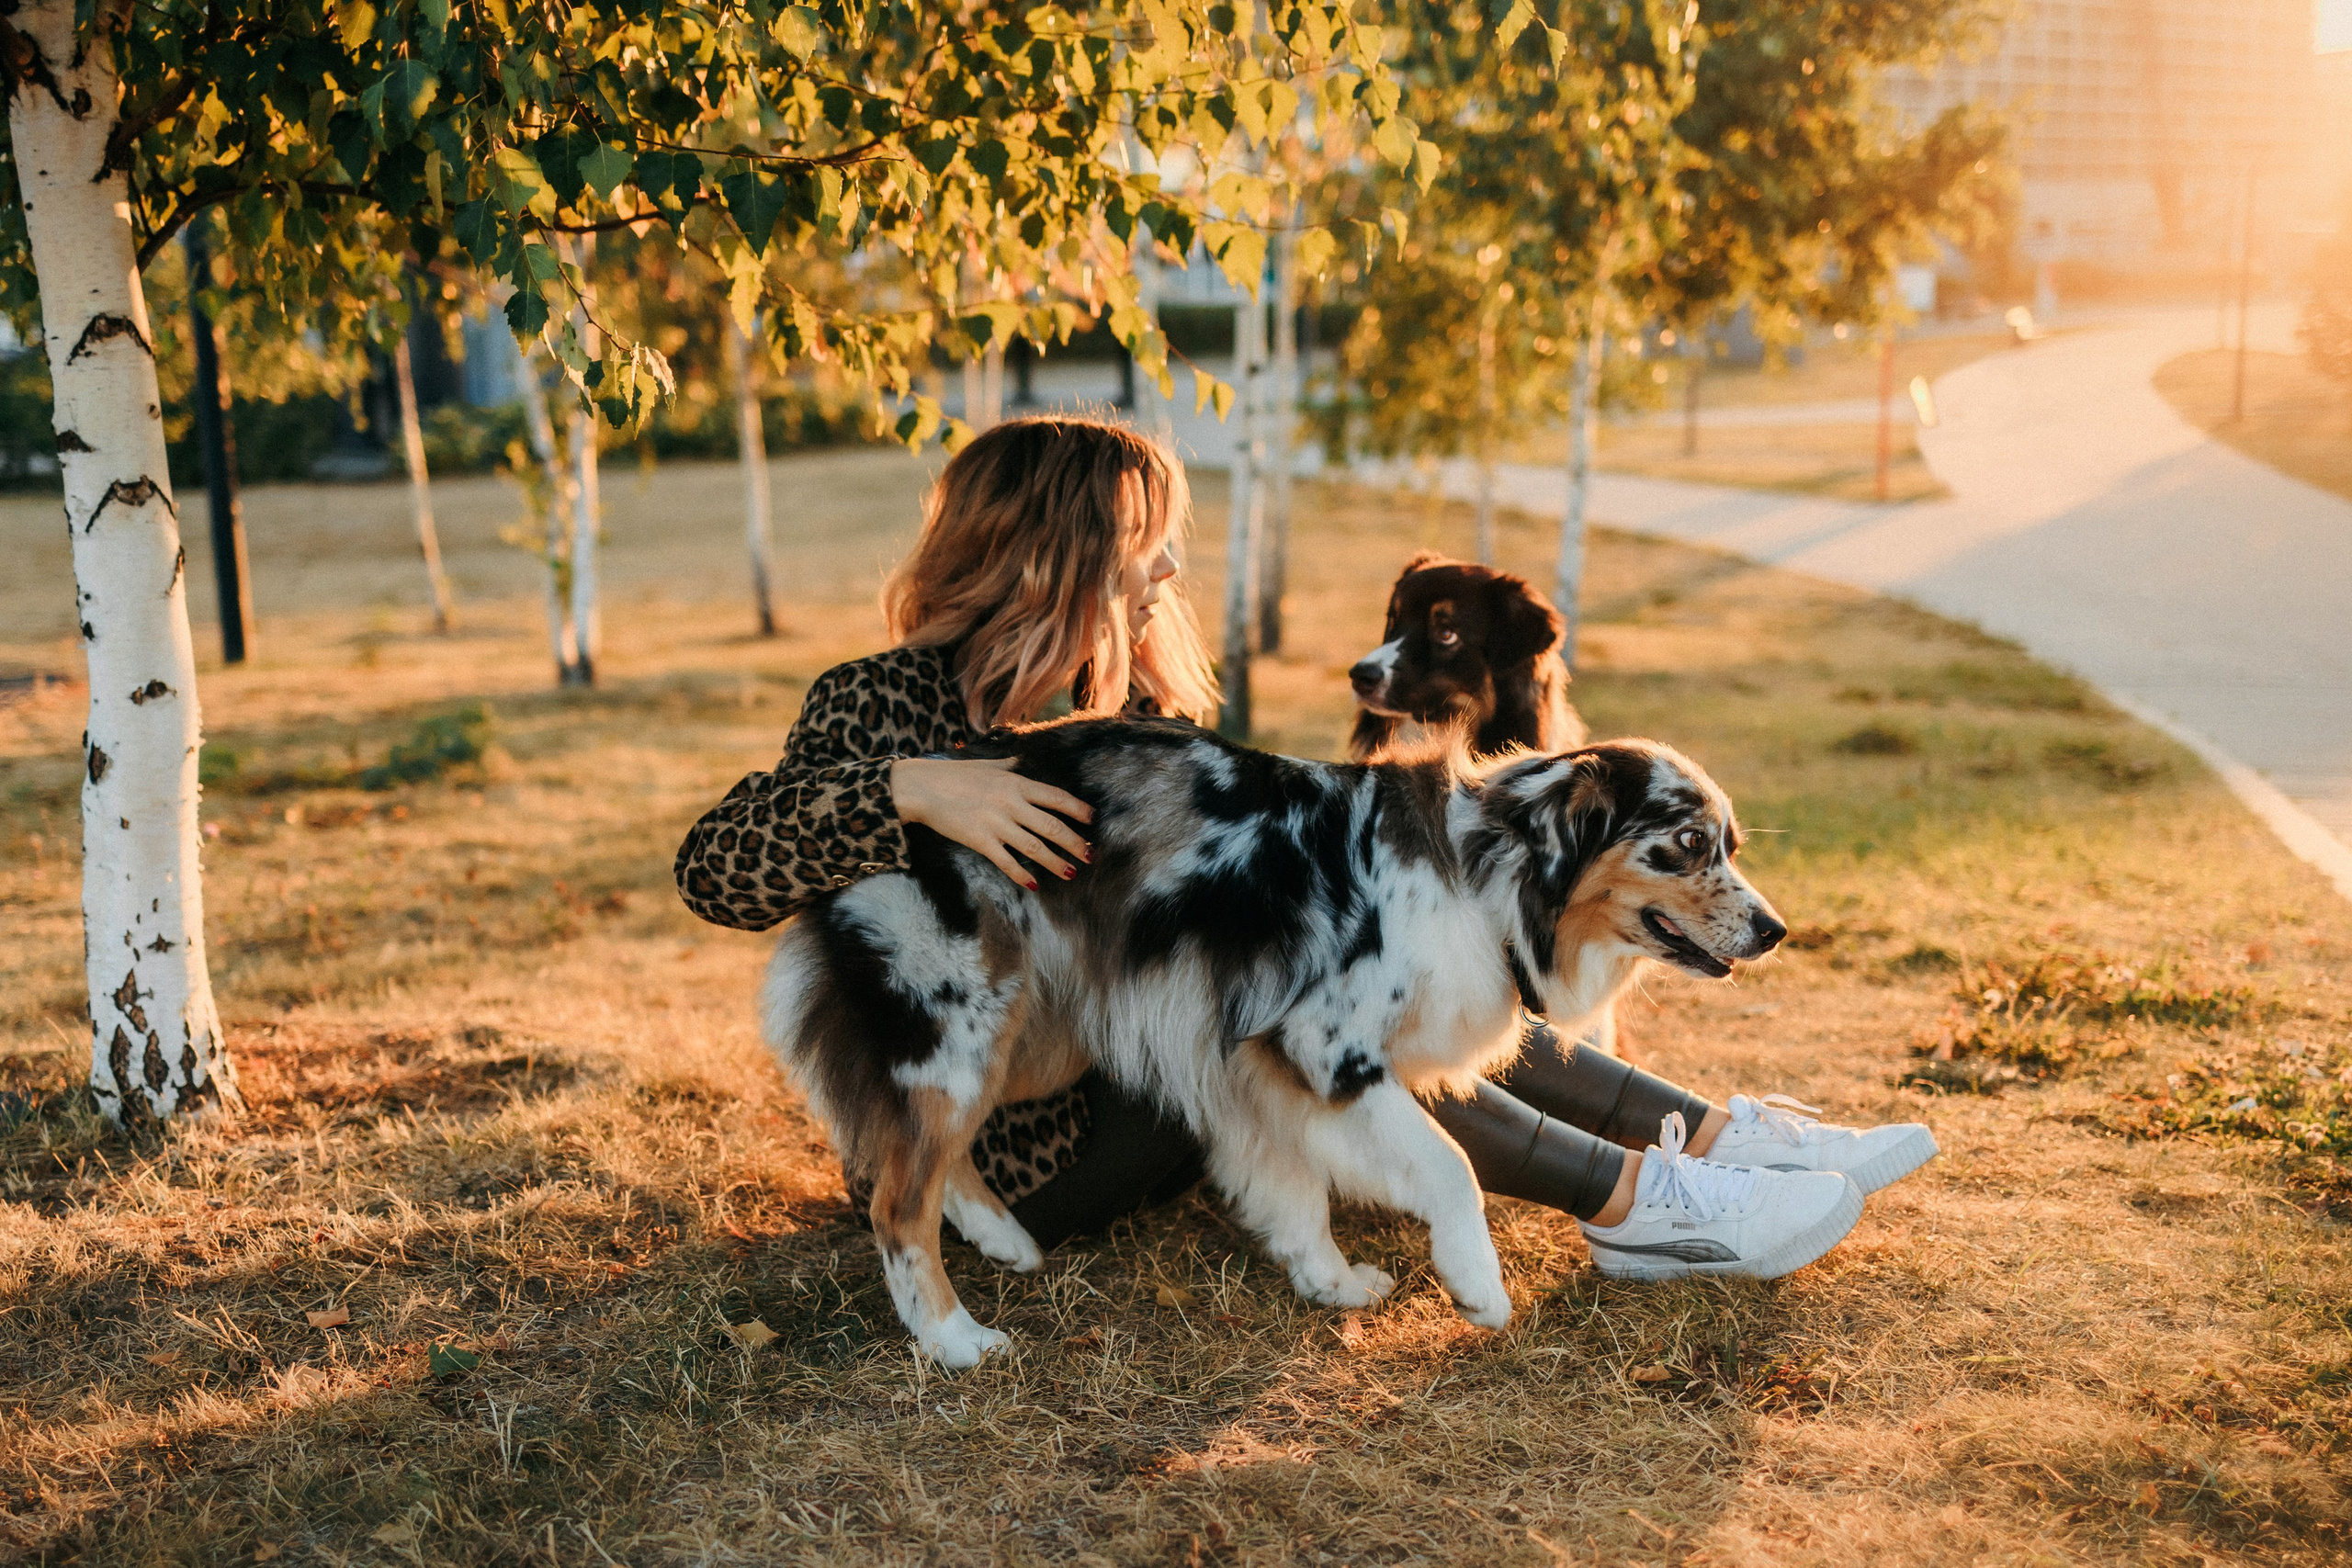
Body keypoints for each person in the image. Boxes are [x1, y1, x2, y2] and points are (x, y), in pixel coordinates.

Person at [674, 414, 1936, 1280]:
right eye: (1144, 540)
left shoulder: (1146, 723)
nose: (1170, 564)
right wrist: (916, 791)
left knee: (1410, 960)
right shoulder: (881, 708)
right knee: (1313, 1010)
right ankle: (1637, 1207)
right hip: (1014, 1145)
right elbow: (718, 865)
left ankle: (1708, 1140)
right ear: (1058, 557)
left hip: (1147, 1061)